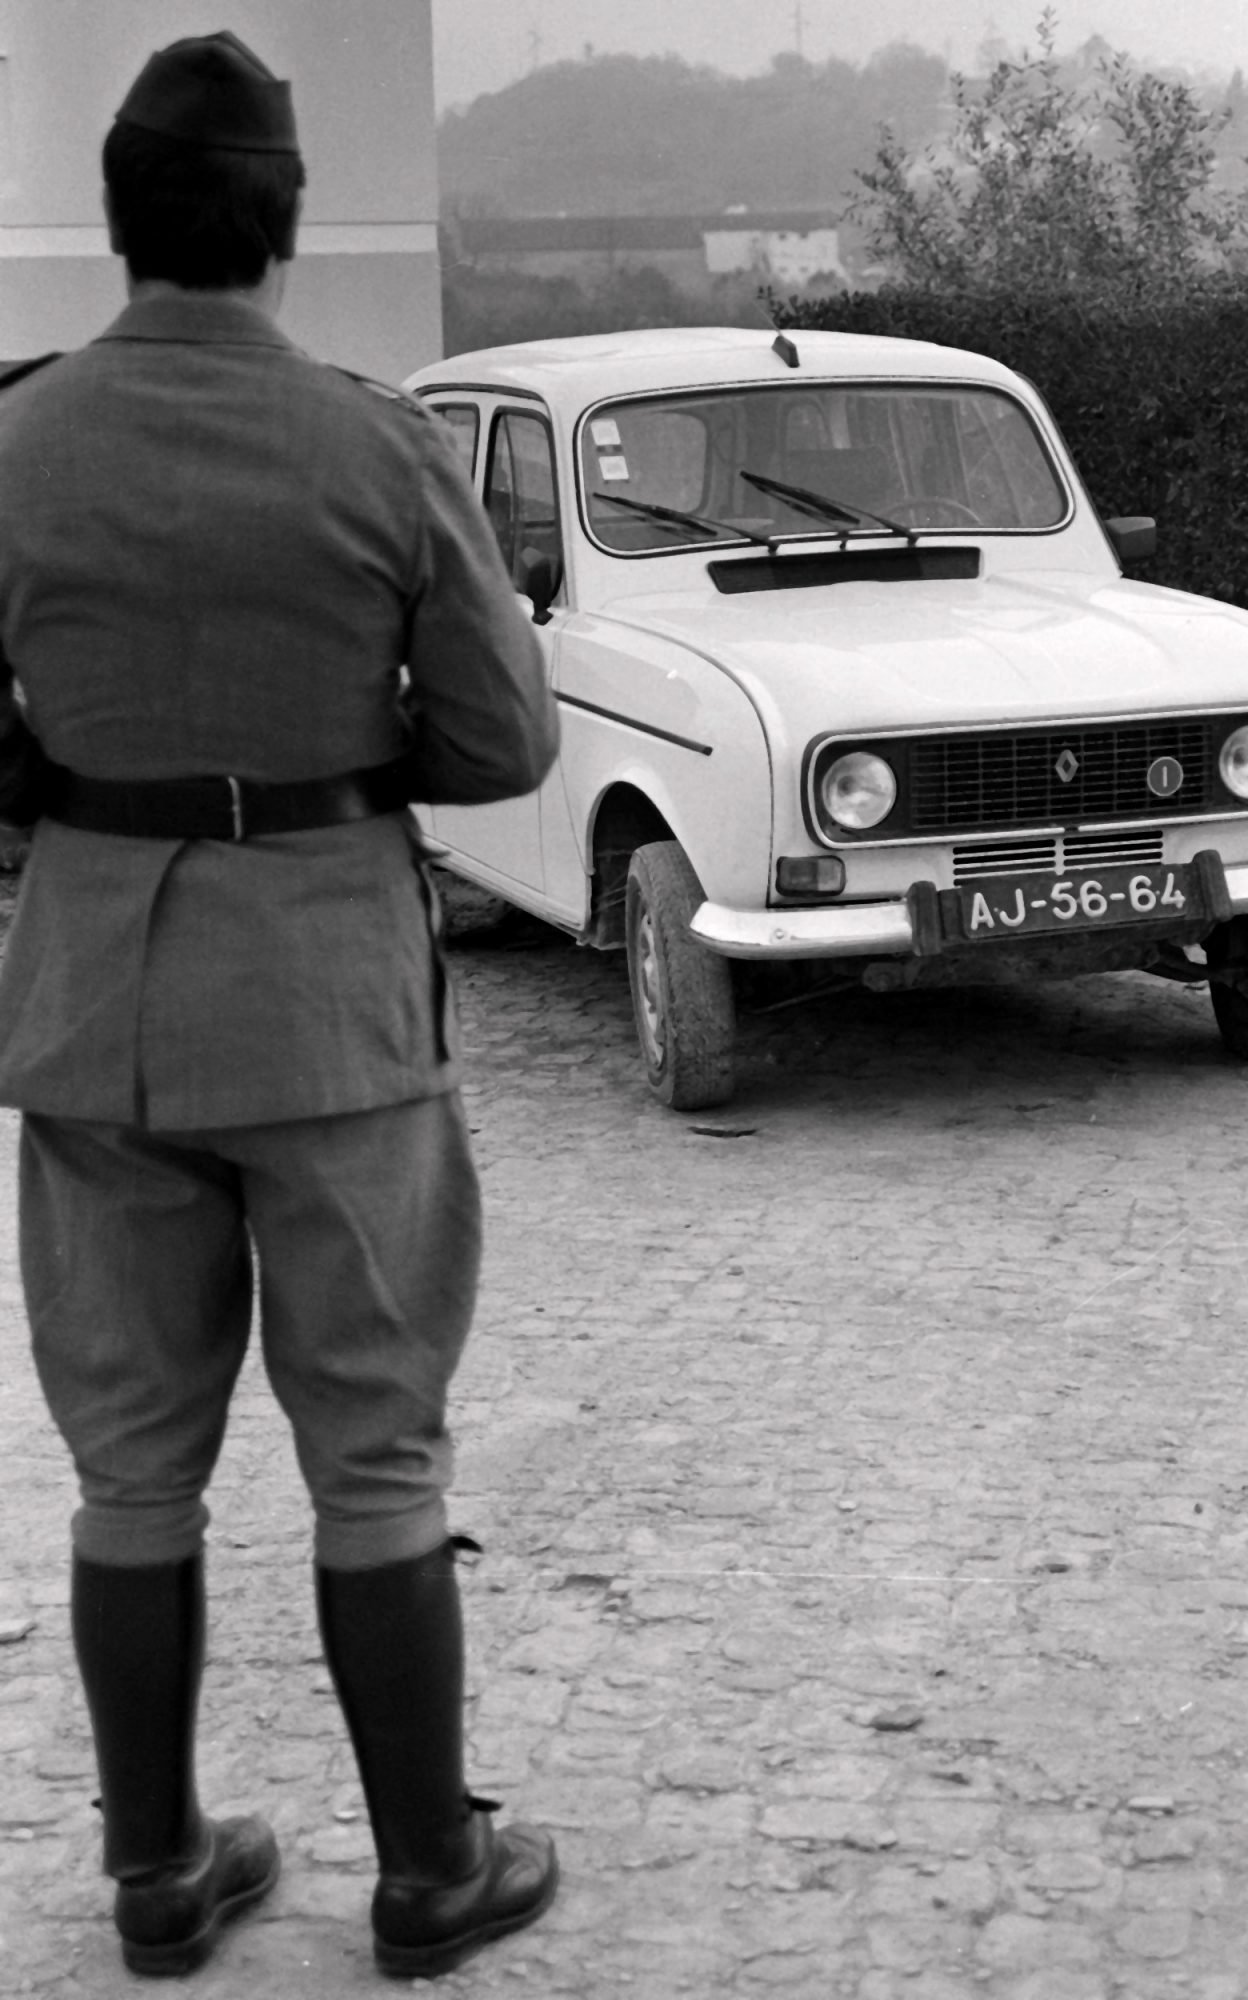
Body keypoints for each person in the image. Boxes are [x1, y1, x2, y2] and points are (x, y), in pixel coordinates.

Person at [0, 30, 561, 1983]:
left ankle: (156, 1870)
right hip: (327, 1012)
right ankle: (427, 1871)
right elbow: (503, 738)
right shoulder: (371, 440)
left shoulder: (16, 443)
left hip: (96, 1012)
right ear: (286, 222)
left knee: (129, 1462)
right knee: (377, 1448)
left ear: (116, 215)